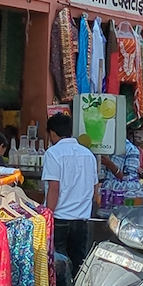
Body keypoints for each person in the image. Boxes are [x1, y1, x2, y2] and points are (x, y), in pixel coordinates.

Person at [44, 112, 99, 274]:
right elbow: (95, 188)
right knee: (79, 264)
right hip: (82, 219)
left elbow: (54, 188)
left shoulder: (53, 154)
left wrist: (48, 215)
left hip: (60, 217)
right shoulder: (88, 155)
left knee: (59, 266)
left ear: (52, 133)